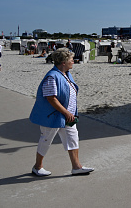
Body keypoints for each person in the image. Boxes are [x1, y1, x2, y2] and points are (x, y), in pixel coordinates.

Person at [29, 48, 94, 176]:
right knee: (46, 140)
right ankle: (37, 167)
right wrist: (66, 112)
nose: (73, 62)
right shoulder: (52, 76)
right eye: (71, 60)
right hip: (54, 116)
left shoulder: (66, 74)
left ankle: (76, 167)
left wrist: (69, 113)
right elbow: (51, 98)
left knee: (73, 138)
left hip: (67, 116)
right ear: (63, 62)